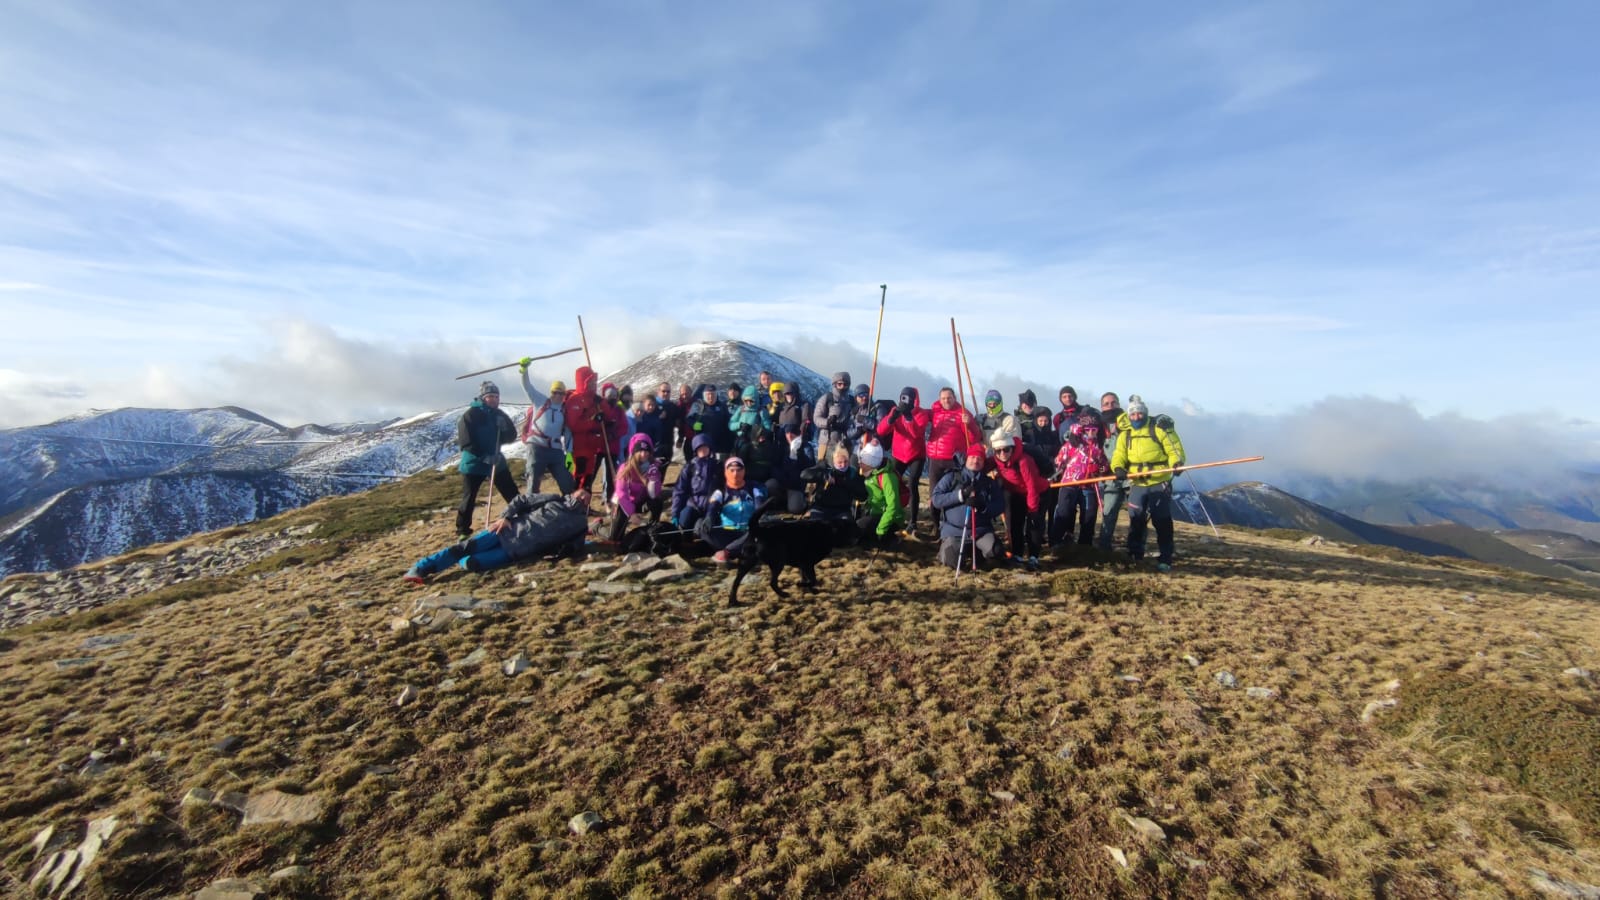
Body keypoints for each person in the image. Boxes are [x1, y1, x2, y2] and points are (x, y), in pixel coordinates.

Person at [405, 492, 587, 582]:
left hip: (517, 551)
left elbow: (577, 544)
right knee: (462, 548)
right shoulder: (554, 499)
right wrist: (505, 517)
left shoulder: (581, 523)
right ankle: (421, 568)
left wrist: (565, 551)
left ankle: (463, 561)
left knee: (473, 563)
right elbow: (521, 500)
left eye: (587, 497)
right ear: (573, 492)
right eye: (581, 494)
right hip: (504, 532)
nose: (583, 498)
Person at [1111, 396, 1186, 571]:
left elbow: (1174, 448)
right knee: (1136, 519)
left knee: (1161, 520)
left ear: (1145, 413)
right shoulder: (1125, 434)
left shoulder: (1159, 429)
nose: (1136, 417)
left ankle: (1166, 557)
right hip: (1137, 482)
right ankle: (1134, 554)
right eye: (1133, 414)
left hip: (1159, 480)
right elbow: (1119, 454)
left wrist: (1176, 463)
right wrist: (1118, 468)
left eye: (1139, 413)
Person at [454, 380, 519, 538]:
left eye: (496, 396)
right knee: (469, 497)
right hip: (474, 462)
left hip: (496, 460)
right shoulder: (470, 415)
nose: (494, 400)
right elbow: (466, 441)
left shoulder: (500, 415)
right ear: (483, 398)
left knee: (511, 491)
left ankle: (522, 515)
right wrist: (483, 457)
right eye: (491, 396)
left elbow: (511, 436)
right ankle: (463, 530)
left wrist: (504, 428)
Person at [930, 446, 1007, 570]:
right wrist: (960, 495)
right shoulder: (952, 477)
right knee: (952, 561)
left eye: (979, 459)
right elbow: (936, 499)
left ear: (983, 463)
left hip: (981, 531)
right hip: (954, 531)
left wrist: (983, 506)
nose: (975, 461)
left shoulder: (988, 483)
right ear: (966, 459)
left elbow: (1000, 505)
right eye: (972, 457)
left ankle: (977, 552)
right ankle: (949, 551)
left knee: (996, 552)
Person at [563, 366, 626, 503]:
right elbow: (573, 425)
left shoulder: (595, 400)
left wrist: (603, 405)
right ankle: (573, 505)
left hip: (592, 446)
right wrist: (593, 422)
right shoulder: (574, 400)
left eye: (594, 382)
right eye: (590, 382)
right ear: (583, 382)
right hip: (579, 446)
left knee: (588, 478)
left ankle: (584, 507)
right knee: (579, 477)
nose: (593, 385)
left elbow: (608, 416)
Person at [924, 386, 983, 530]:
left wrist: (969, 424)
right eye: (943, 398)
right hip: (935, 459)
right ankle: (935, 525)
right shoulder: (935, 412)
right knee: (934, 494)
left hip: (954, 460)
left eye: (949, 398)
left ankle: (950, 524)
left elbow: (975, 438)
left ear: (955, 398)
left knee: (951, 493)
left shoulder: (963, 413)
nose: (946, 401)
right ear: (939, 399)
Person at [875, 387, 932, 534]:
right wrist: (890, 419)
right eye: (902, 397)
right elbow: (881, 431)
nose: (904, 401)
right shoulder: (895, 410)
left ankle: (913, 522)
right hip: (898, 453)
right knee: (891, 483)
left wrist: (908, 417)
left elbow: (916, 433)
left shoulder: (921, 413)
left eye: (908, 398)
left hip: (916, 455)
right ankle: (890, 513)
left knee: (913, 484)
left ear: (914, 400)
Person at [517, 363, 576, 497]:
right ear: (551, 392)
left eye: (561, 393)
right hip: (536, 446)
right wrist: (524, 371)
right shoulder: (540, 401)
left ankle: (571, 508)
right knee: (533, 482)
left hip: (555, 449)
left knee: (567, 481)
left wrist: (569, 454)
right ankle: (530, 510)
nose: (558, 395)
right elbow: (528, 387)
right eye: (556, 392)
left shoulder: (564, 410)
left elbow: (567, 432)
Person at [1051, 409, 1109, 547]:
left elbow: (1104, 465)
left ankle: (1085, 544)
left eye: (1094, 430)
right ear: (1082, 429)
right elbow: (1059, 461)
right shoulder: (1072, 444)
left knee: (1089, 515)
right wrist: (1057, 471)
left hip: (1088, 485)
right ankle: (1056, 541)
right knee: (1064, 512)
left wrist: (1098, 471)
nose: (1090, 433)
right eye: (1087, 429)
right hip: (1069, 483)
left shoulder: (1098, 447)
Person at [991, 432, 1048, 570]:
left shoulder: (1024, 461)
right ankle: (1017, 554)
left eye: (1006, 449)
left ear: (1012, 448)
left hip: (1038, 492)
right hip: (1016, 493)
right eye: (998, 451)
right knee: (1015, 524)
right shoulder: (996, 460)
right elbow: (980, 465)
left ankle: (1034, 556)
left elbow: (1032, 487)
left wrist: (1033, 510)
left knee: (1033, 525)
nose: (1002, 453)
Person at [697, 456, 768, 564]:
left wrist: (761, 516)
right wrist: (709, 518)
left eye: (739, 470)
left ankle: (728, 552)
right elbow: (713, 506)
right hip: (727, 533)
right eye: (732, 470)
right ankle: (738, 549)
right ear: (726, 472)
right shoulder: (721, 491)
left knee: (761, 530)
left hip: (748, 533)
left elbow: (759, 503)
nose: (735, 474)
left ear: (744, 471)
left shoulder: (754, 488)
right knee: (700, 525)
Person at [802, 445, 867, 545]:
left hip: (841, 511)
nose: (843, 465)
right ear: (833, 461)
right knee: (814, 531)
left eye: (845, 462)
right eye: (839, 463)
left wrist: (845, 483)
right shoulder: (826, 468)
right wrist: (822, 476)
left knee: (847, 534)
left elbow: (863, 495)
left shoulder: (853, 474)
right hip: (821, 508)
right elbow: (804, 474)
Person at [608, 434, 664, 544]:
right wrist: (631, 514)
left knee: (657, 502)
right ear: (634, 452)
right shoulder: (625, 468)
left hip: (642, 501)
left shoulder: (654, 466)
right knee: (615, 538)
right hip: (624, 504)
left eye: (647, 450)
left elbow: (654, 495)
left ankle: (652, 530)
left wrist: (654, 480)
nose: (644, 454)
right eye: (640, 450)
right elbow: (622, 493)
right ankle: (597, 527)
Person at [856, 439, 905, 547]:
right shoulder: (871, 473)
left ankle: (889, 537)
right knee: (859, 533)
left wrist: (881, 529)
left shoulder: (887, 477)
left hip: (891, 518)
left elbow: (893, 506)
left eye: (863, 460)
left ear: (871, 461)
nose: (860, 463)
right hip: (876, 514)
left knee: (860, 528)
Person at [670, 434, 721, 532]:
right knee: (684, 522)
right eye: (700, 448)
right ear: (695, 450)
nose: (703, 450)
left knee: (709, 528)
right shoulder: (689, 467)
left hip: (713, 505)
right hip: (694, 504)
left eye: (705, 447)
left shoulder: (718, 466)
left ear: (710, 449)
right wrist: (675, 513)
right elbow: (679, 491)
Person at [1024, 406, 1061, 541]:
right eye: (1040, 421)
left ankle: (1052, 536)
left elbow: (1059, 453)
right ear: (1035, 421)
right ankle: (1033, 535)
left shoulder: (1053, 436)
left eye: (1046, 421)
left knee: (1052, 507)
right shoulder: (1029, 435)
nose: (1043, 424)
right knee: (1035, 508)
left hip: (1052, 475)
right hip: (1035, 475)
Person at [1095, 392, 1126, 553]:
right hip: (1109, 476)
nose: (1110, 406)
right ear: (1102, 406)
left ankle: (1136, 551)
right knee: (1108, 512)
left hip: (1130, 474)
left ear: (1119, 404)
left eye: (1113, 403)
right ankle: (1104, 549)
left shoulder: (1128, 422)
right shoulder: (1098, 425)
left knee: (1138, 513)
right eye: (1106, 403)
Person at [813, 371, 853, 474]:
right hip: (827, 441)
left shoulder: (851, 401)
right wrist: (827, 422)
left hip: (844, 442)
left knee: (843, 470)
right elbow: (816, 418)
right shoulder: (827, 398)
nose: (842, 386)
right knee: (821, 469)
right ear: (834, 384)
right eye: (839, 384)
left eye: (845, 384)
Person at [772, 424, 813, 514]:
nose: (789, 436)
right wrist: (781, 477)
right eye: (787, 433)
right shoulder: (781, 447)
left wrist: (798, 454)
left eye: (792, 433)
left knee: (795, 509)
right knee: (770, 485)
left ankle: (802, 501)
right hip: (782, 481)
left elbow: (809, 466)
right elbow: (775, 465)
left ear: (798, 434)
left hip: (796, 485)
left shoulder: (806, 447)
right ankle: (782, 500)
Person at [686, 384, 732, 459]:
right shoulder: (698, 405)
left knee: (719, 466)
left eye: (713, 394)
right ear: (704, 395)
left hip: (720, 443)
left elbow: (728, 421)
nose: (710, 397)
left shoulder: (722, 406)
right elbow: (688, 419)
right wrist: (694, 425)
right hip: (703, 442)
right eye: (708, 394)